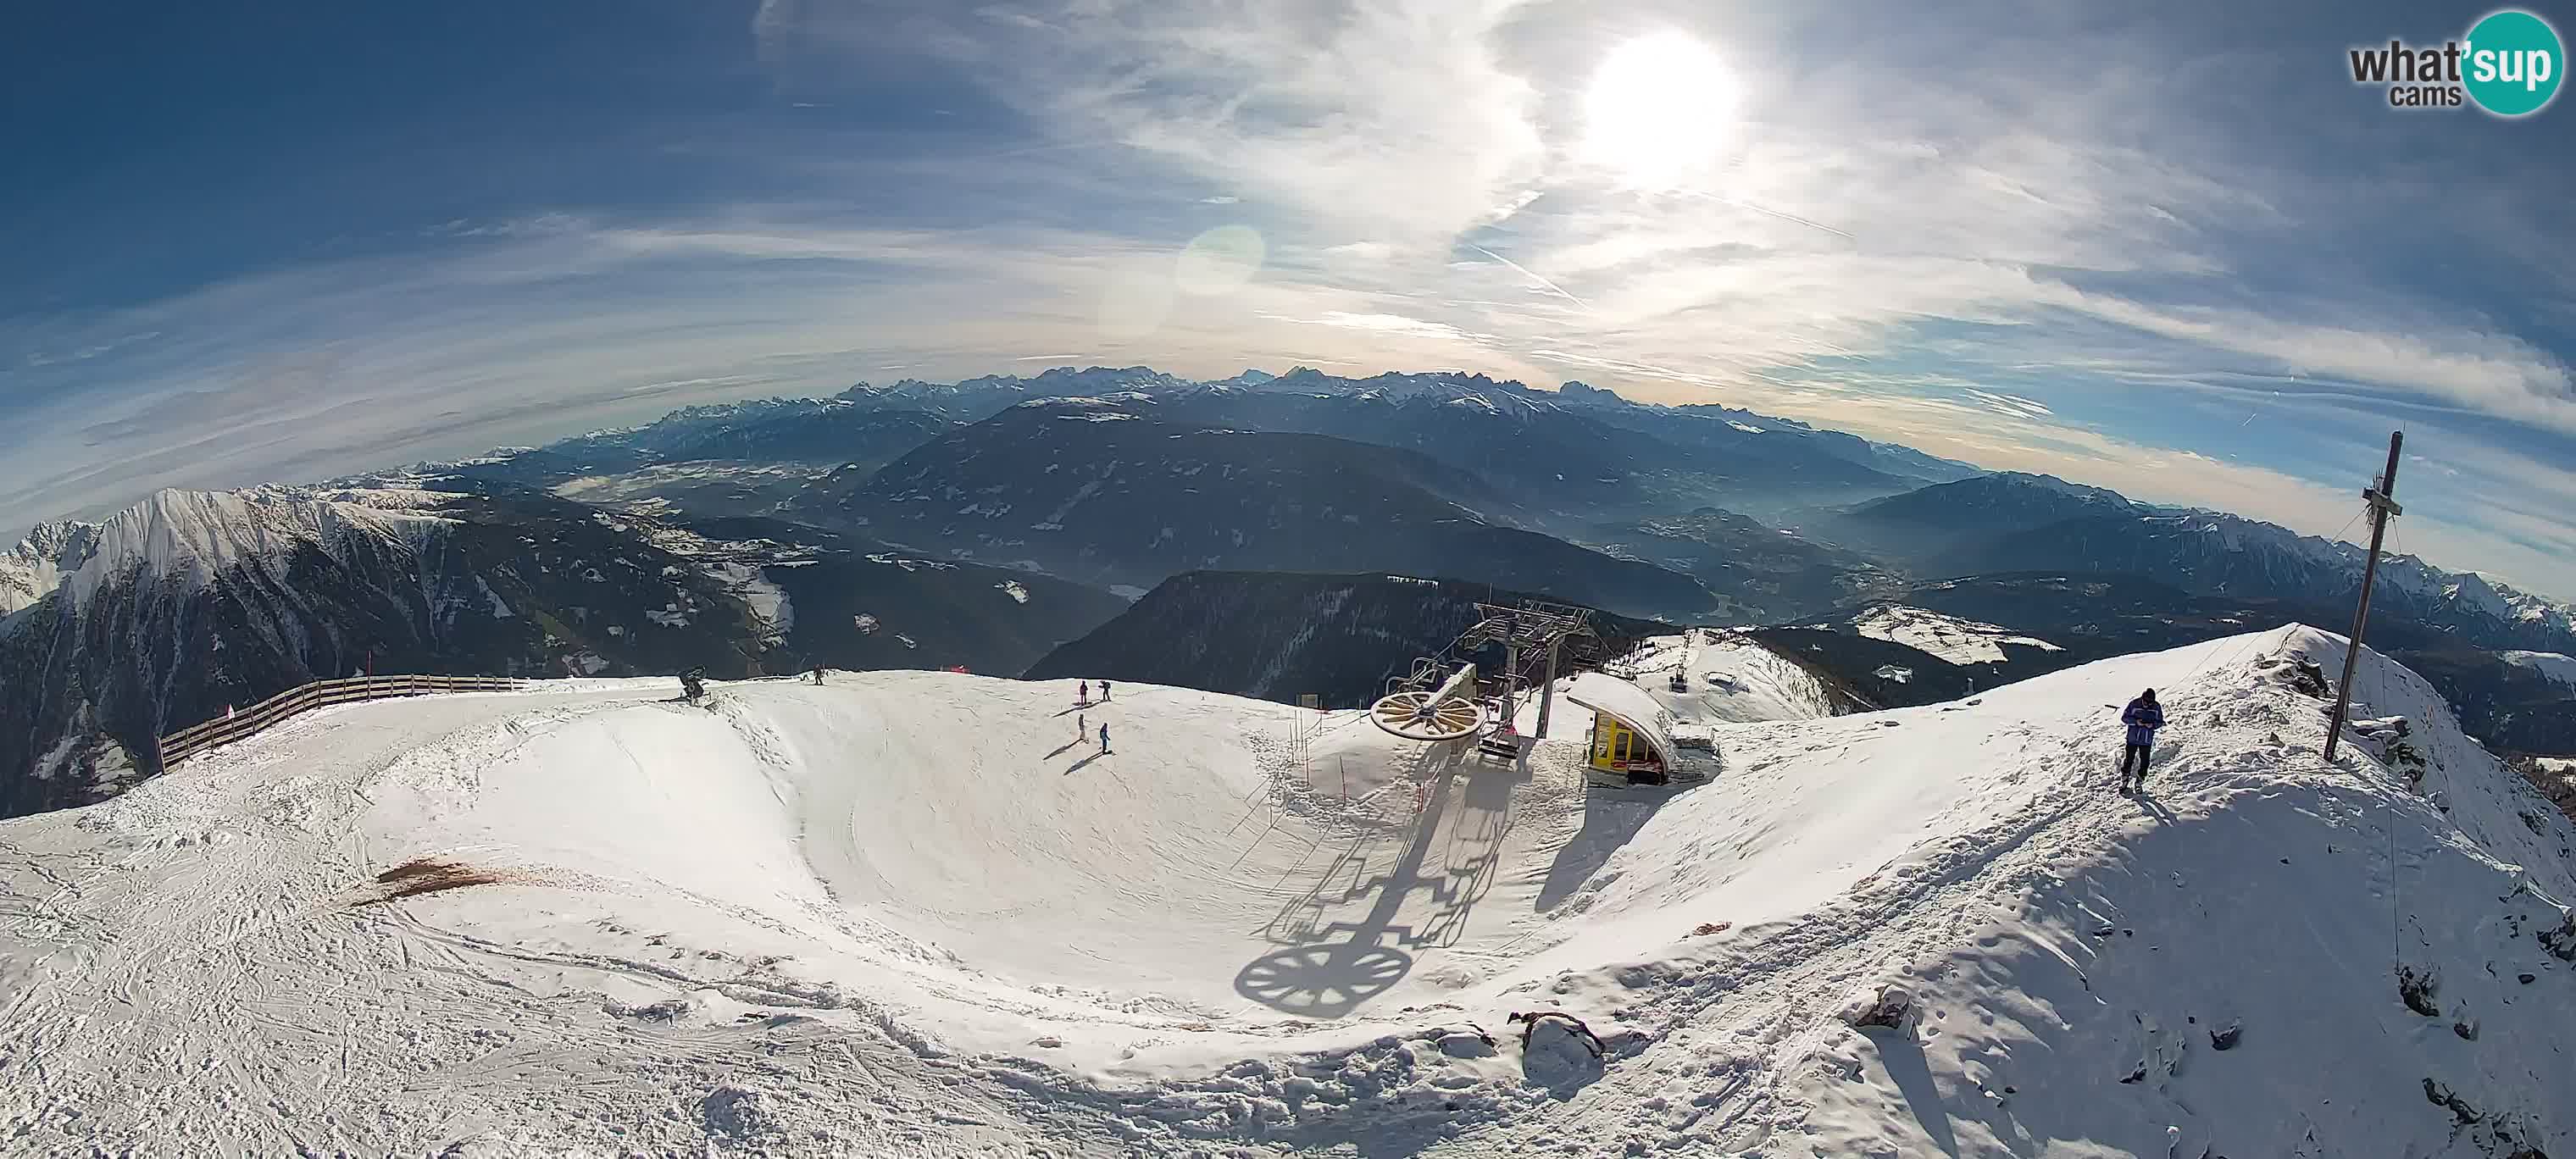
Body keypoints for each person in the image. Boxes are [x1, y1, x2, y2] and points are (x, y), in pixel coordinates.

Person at [2119, 688, 2164, 791]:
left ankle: (2139, 781)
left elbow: (2160, 722)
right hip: (2133, 738)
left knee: (2145, 762)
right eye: (2146, 702)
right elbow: (2124, 718)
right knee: (2128, 760)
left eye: (2150, 703)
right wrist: (2135, 722)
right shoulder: (2134, 704)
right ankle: (2124, 780)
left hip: (2146, 739)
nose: (2147, 705)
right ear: (2142, 698)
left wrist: (2152, 725)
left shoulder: (2156, 707)